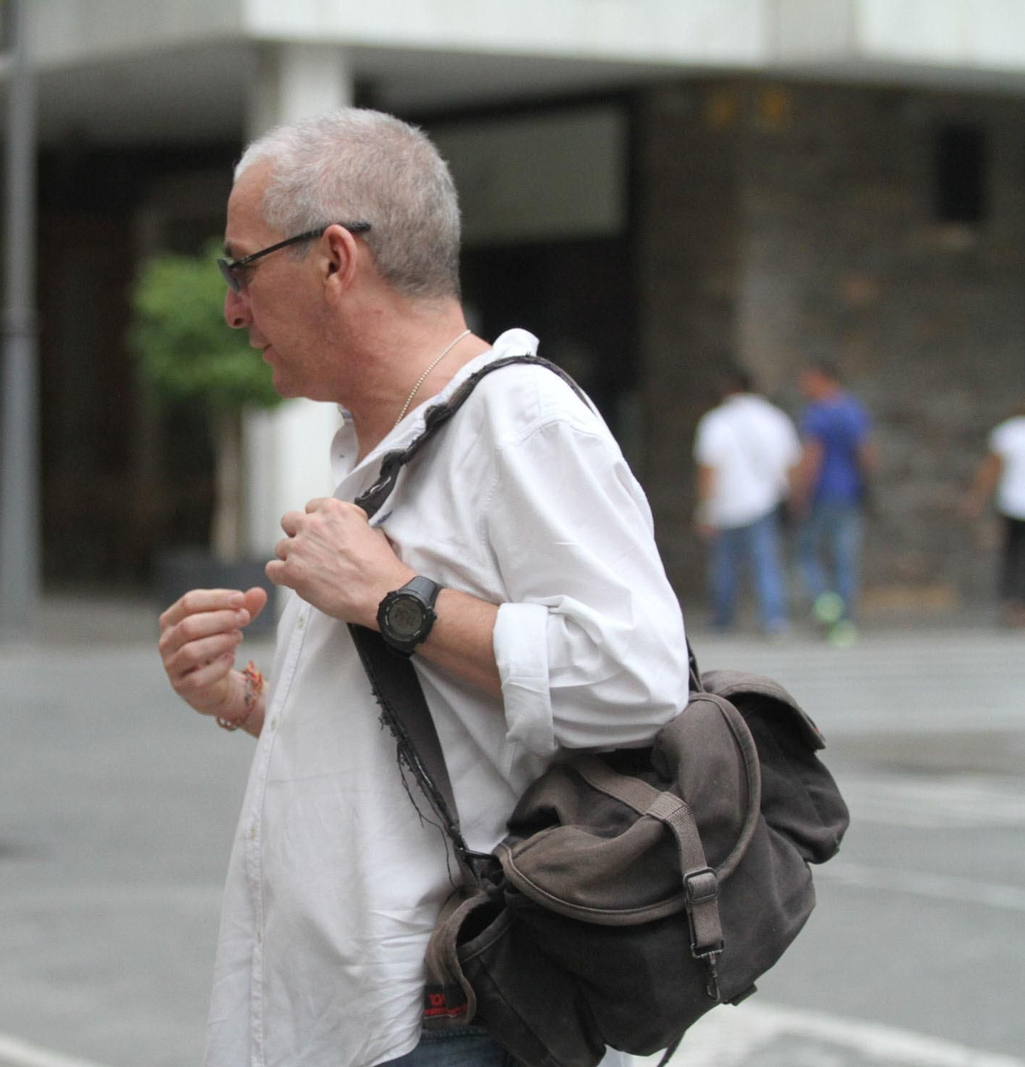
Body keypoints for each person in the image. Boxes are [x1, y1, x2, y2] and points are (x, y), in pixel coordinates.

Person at [155, 108, 688, 1067]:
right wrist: (247, 703)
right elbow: (435, 726)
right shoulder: (383, 439)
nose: (232, 307)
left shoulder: (520, 421)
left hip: (437, 1018)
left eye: (240, 267)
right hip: (357, 1013)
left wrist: (399, 600)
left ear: (333, 260)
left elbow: (639, 675)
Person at [693, 367, 801, 634]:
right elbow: (791, 463)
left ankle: (723, 618)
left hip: (727, 503)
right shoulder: (776, 419)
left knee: (725, 565)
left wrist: (705, 508)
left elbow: (709, 467)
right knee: (766, 563)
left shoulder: (717, 421)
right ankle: (774, 617)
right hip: (765, 501)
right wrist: (791, 496)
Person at [793, 360, 874, 645]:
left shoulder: (817, 414)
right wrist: (866, 485)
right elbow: (865, 453)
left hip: (822, 493)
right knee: (844, 557)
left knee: (807, 551)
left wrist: (801, 492)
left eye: (808, 380)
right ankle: (845, 622)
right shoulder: (853, 410)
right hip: (849, 493)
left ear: (823, 379)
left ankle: (826, 603)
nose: (804, 387)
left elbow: (813, 456)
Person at [964, 400, 1025, 627]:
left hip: (1012, 505)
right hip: (1014, 504)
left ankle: (1012, 606)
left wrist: (976, 498)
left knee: (1011, 556)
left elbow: (991, 469)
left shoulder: (1007, 433)